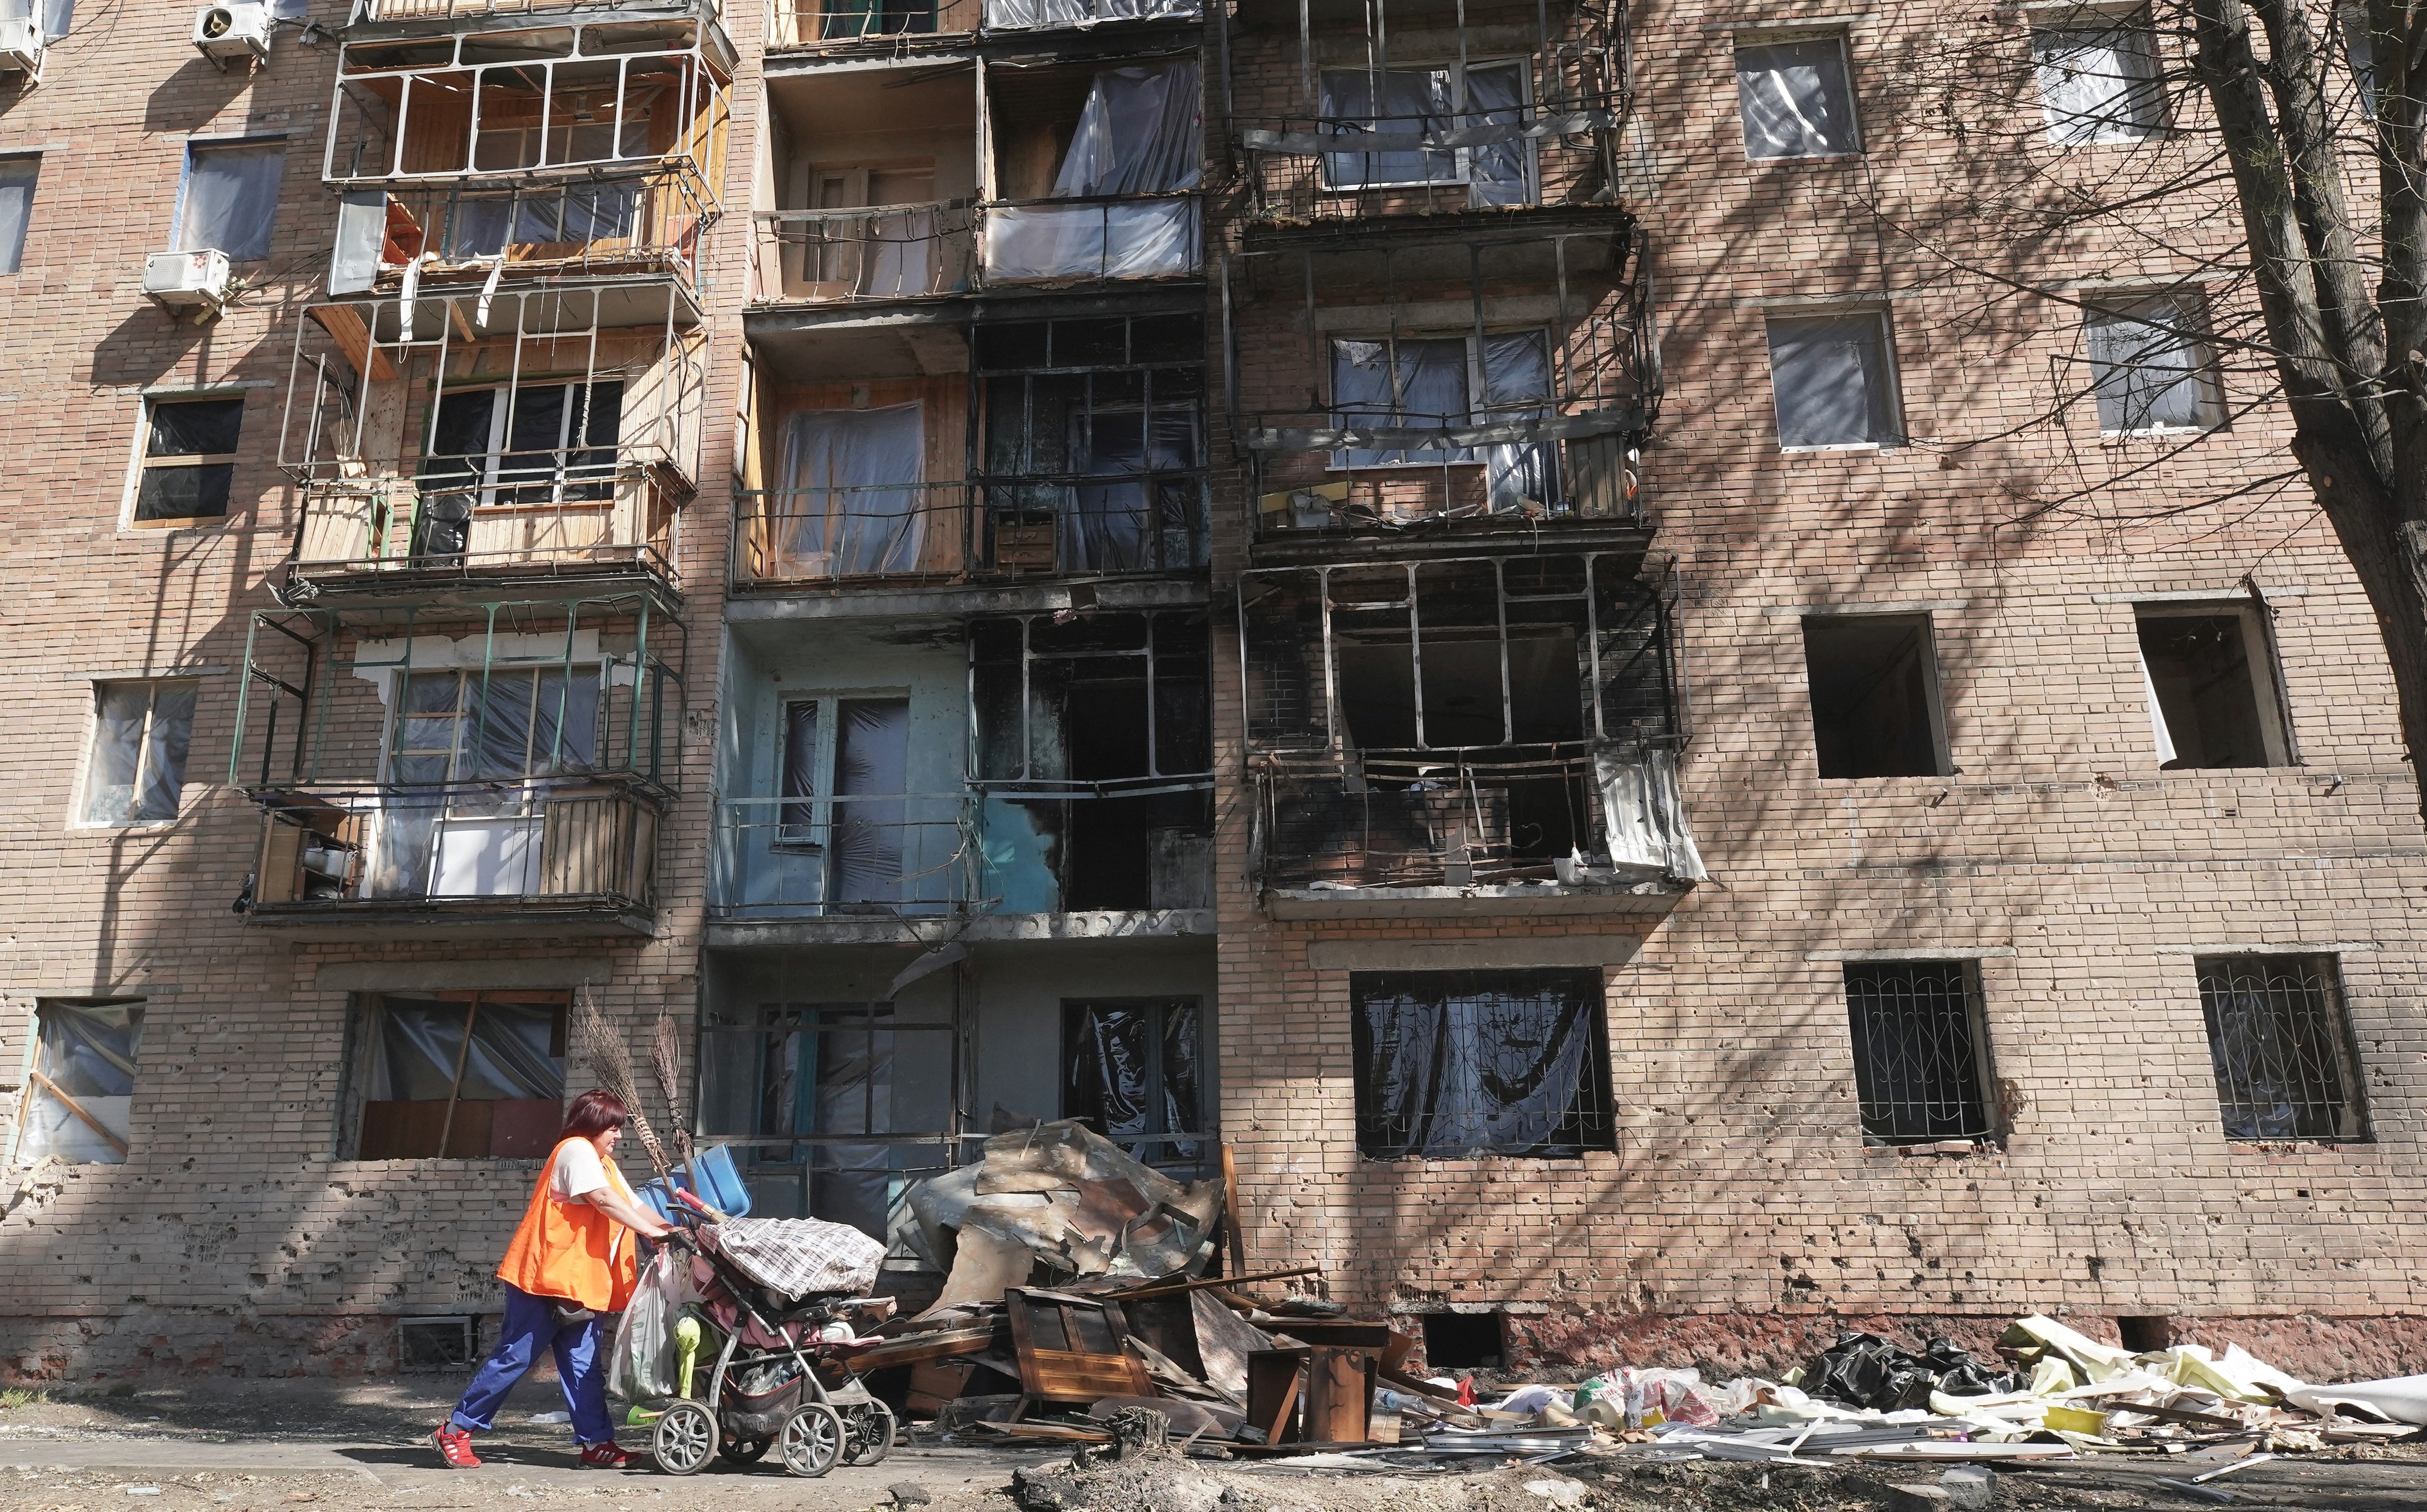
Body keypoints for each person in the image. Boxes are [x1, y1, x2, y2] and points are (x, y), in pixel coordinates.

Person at [432, 1089, 674, 1470]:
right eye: (613, 1128)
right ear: (593, 1125)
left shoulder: (603, 1162)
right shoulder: (576, 1150)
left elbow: (632, 1203)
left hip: (580, 1283)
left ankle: (597, 1443)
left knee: (584, 1365)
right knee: (515, 1357)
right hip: (545, 1280)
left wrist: (671, 1229)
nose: (618, 1136)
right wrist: (650, 1230)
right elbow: (603, 1200)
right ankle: (455, 1430)